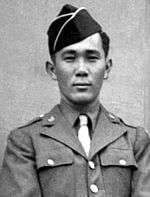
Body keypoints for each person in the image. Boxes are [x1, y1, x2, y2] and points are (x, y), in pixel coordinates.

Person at [0, 4, 150, 197]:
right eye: (70, 58)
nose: (81, 69)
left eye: (92, 57)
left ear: (107, 68)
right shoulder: (25, 141)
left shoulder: (135, 140)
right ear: (52, 69)